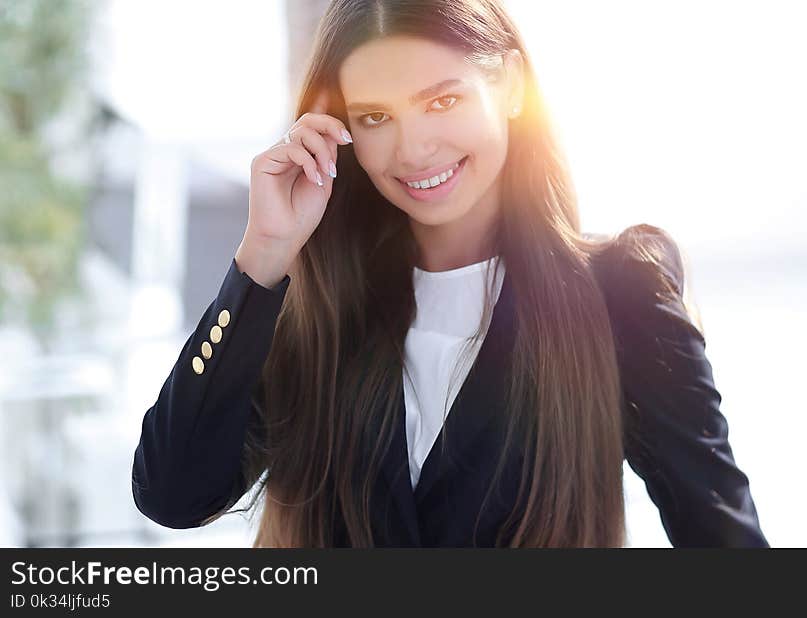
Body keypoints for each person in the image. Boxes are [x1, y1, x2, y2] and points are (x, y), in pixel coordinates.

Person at [131, 0, 769, 548]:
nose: (413, 150)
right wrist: (264, 251)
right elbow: (171, 494)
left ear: (512, 86)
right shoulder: (319, 301)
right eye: (376, 117)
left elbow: (727, 545)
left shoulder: (617, 290)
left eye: (443, 99)